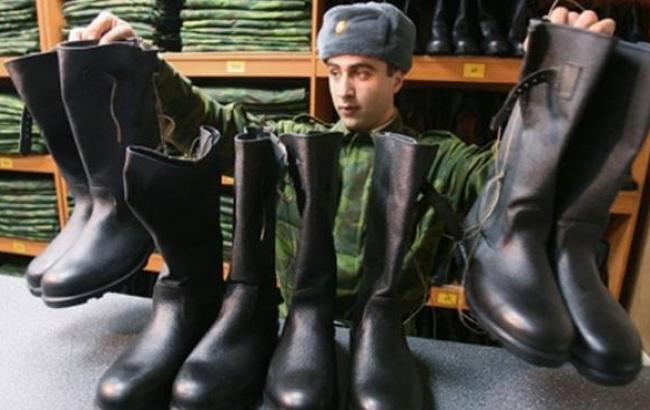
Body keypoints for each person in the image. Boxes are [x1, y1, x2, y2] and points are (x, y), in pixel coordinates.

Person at [69, 3, 615, 322]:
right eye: (334, 72)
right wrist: (145, 64)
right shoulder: (294, 143)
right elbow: (209, 122)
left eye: (363, 72)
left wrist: (557, 94)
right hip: (291, 328)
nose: (344, 91)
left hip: (389, 335)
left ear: (398, 77)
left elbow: (511, 182)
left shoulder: (439, 158)